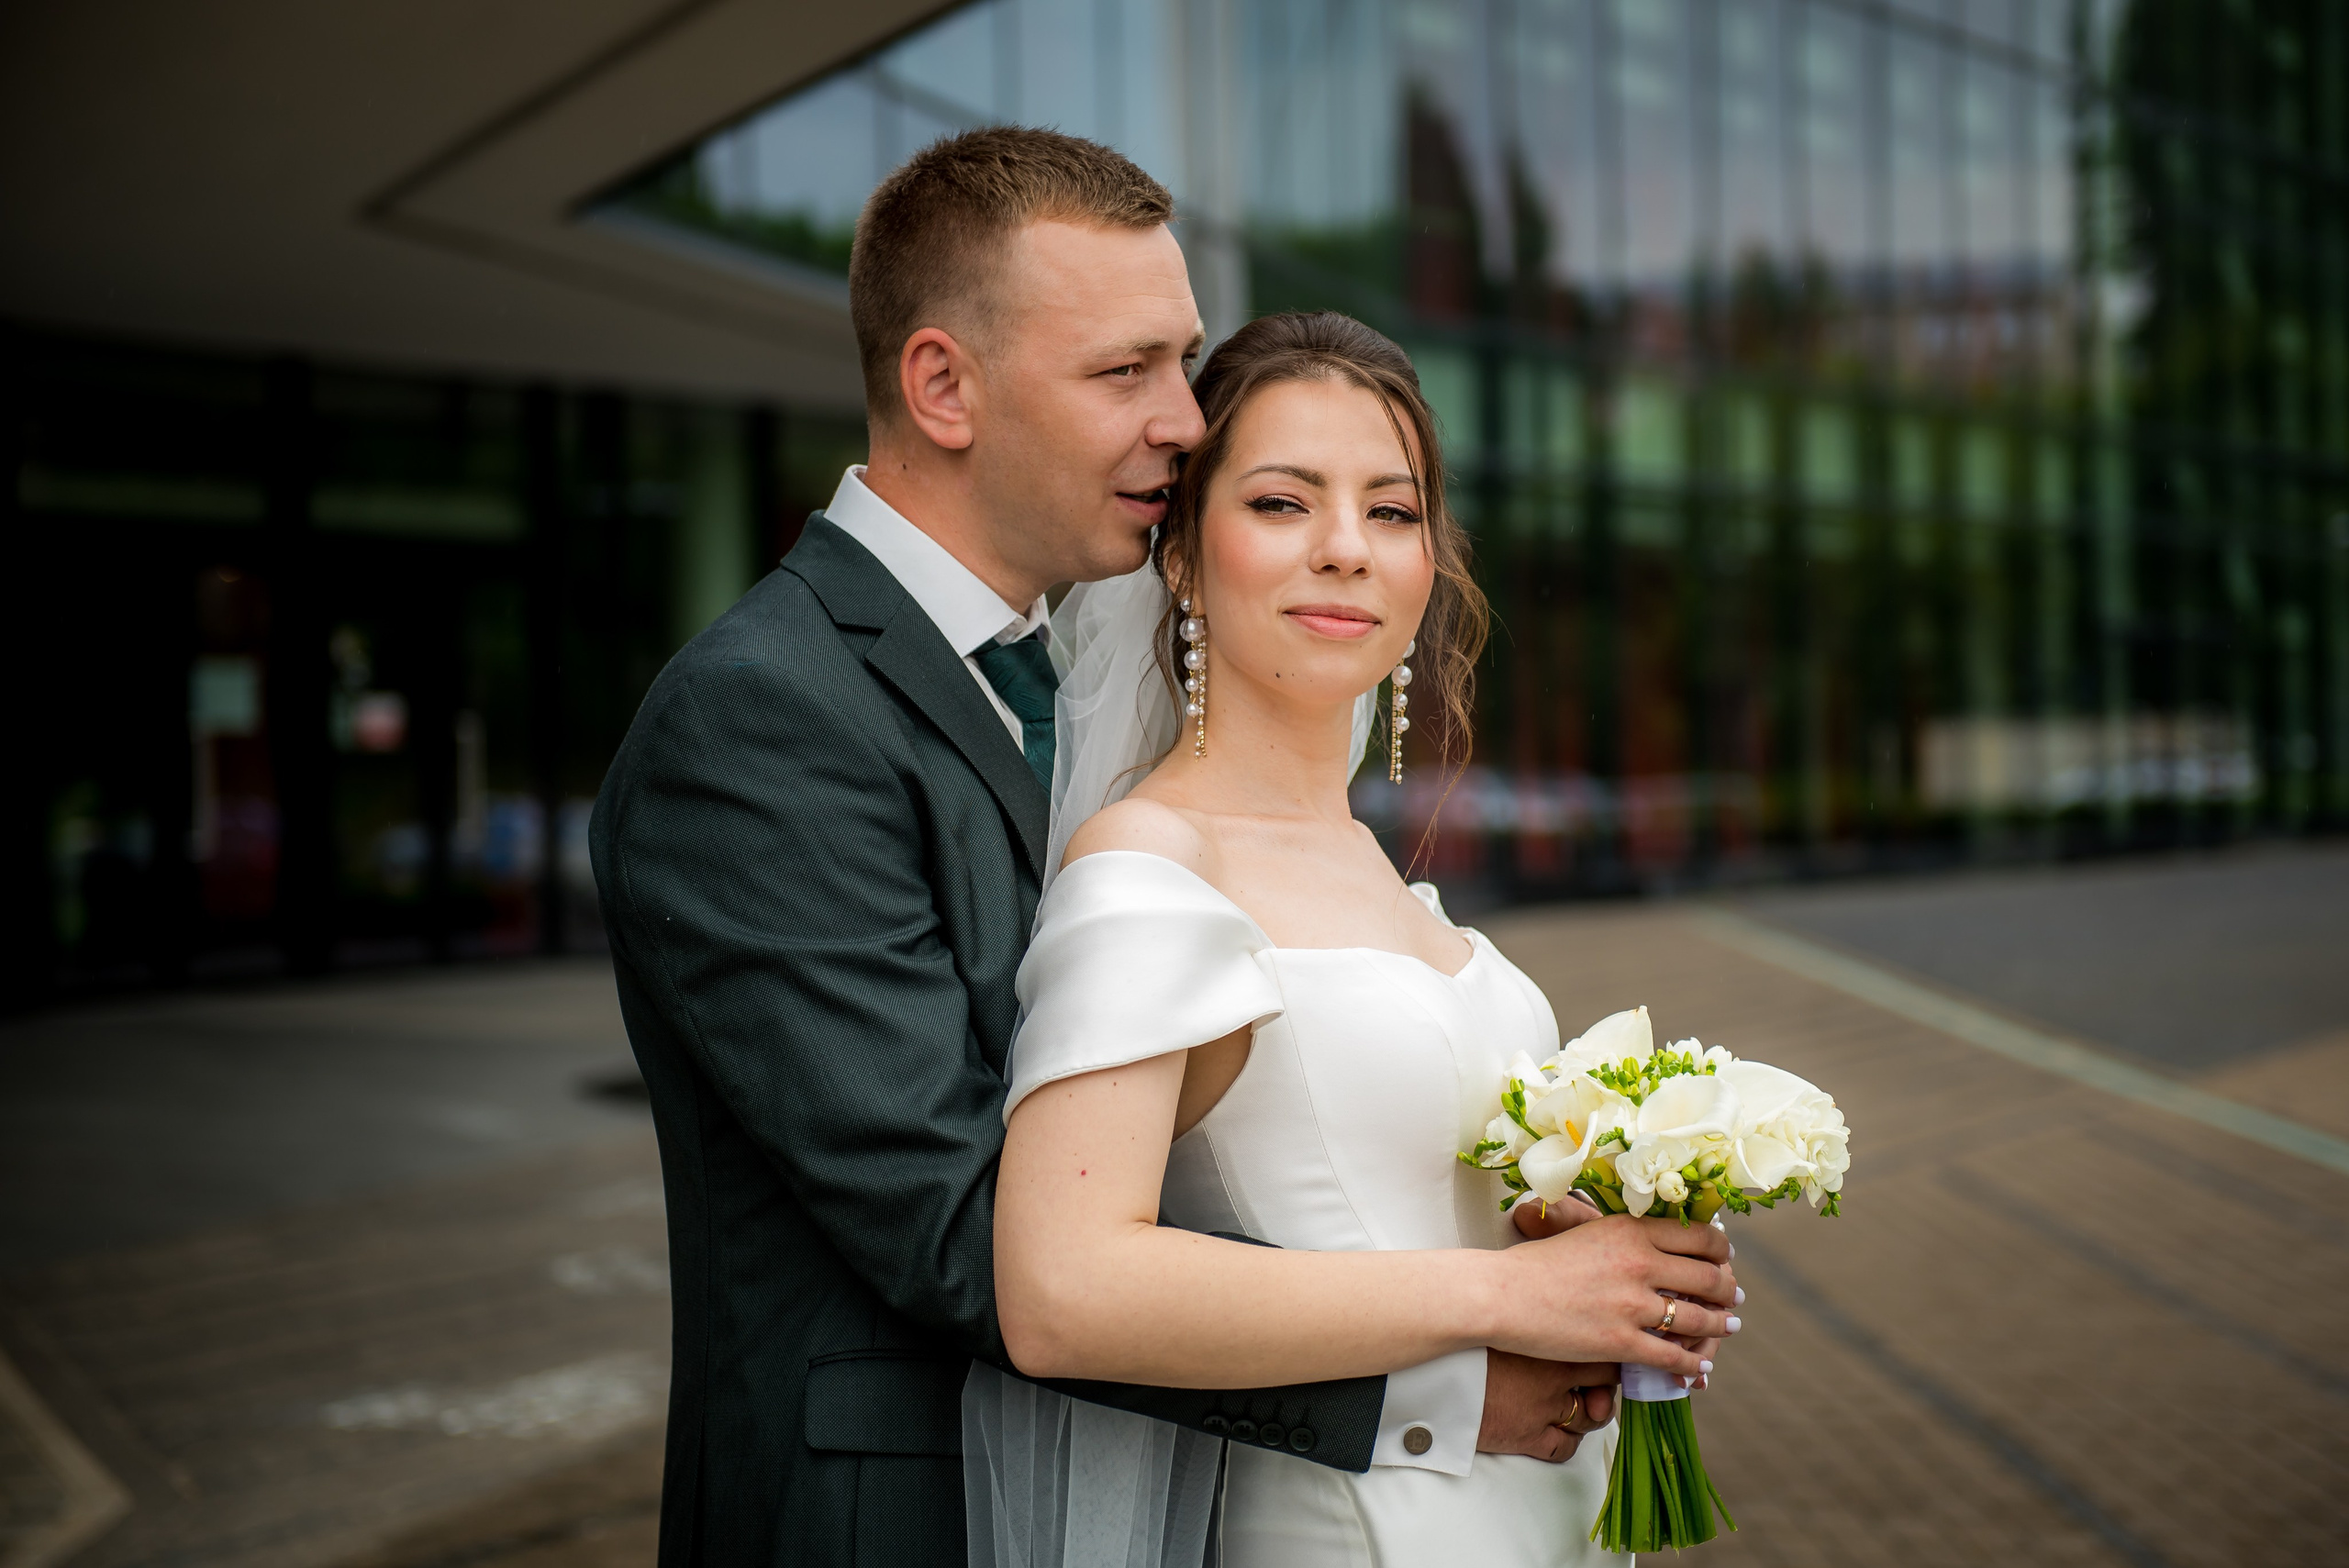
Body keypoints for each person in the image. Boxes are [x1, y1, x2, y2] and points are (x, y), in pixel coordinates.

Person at [591, 127, 1731, 1568]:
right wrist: (1449, 1368)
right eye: (1126, 370)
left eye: (1184, 363)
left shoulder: (1067, 702)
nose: (1186, 422)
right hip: (890, 1517)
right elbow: (971, 1235)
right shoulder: (764, 715)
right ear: (943, 385)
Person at [982, 309, 1731, 1567]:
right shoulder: (1150, 863)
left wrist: (1609, 1261)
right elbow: (1064, 1292)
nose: (1345, 547)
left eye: (1391, 511)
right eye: (1283, 503)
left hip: (1534, 1517)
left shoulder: (1378, 869)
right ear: (1182, 555)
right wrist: (1509, 1294)